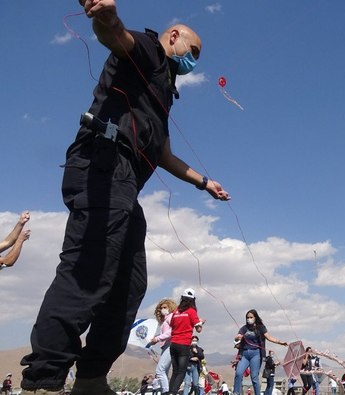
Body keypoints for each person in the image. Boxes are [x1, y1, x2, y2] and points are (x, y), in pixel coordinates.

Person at [19, 0, 230, 393]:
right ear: (173, 37)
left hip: (126, 183)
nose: (195, 61)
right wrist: (106, 16)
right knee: (90, 268)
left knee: (130, 283)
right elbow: (116, 37)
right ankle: (43, 378)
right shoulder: (150, 51)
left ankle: (92, 378)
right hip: (102, 164)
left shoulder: (164, 90)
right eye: (193, 51)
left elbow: (165, 156)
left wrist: (205, 183)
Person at [234, 309, 288, 395]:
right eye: (247, 317)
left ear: (255, 317)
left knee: (254, 377)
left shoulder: (261, 328)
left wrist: (280, 342)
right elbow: (237, 337)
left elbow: (269, 337)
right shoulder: (244, 328)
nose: (249, 319)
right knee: (238, 373)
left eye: (251, 317)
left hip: (256, 354)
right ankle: (236, 393)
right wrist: (237, 338)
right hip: (245, 354)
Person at [166, 289, 204, 395]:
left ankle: (170, 391)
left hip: (173, 344)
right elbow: (199, 329)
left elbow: (171, 325)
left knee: (175, 371)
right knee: (181, 372)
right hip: (183, 344)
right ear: (193, 300)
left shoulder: (176, 311)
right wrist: (201, 322)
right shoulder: (192, 311)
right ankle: (173, 392)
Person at [148, 298, 177, 395]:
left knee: (160, 370)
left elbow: (171, 332)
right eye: (161, 308)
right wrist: (156, 339)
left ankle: (166, 392)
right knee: (164, 371)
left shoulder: (171, 317)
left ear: (170, 307)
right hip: (165, 346)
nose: (163, 309)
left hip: (170, 345)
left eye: (165, 307)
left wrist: (158, 338)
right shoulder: (165, 320)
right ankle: (167, 390)